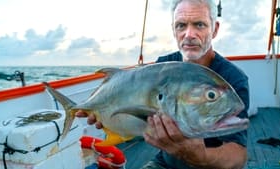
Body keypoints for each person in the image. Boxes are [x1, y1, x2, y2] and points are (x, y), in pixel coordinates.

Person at [77, 0, 249, 168]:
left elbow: (238, 156)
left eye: (199, 25)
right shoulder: (163, 66)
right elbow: (138, 116)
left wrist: (200, 156)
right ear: (174, 30)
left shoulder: (232, 78)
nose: (189, 34)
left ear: (215, 29)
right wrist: (113, 121)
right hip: (166, 163)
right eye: (181, 25)